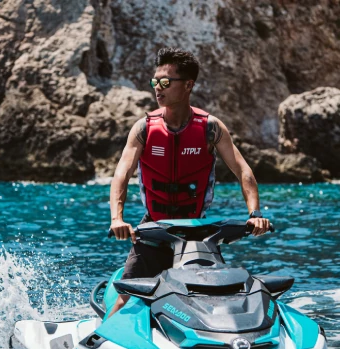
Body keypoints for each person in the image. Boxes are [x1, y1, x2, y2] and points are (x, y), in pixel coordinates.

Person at [108, 48, 271, 315]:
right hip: (153, 228)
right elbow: (121, 174)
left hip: (198, 233)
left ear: (188, 85)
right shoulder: (144, 128)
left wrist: (255, 214)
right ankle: (95, 344)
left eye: (165, 82)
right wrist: (117, 218)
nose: (157, 88)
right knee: (125, 299)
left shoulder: (210, 128)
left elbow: (243, 171)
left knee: (213, 301)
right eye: (155, 82)